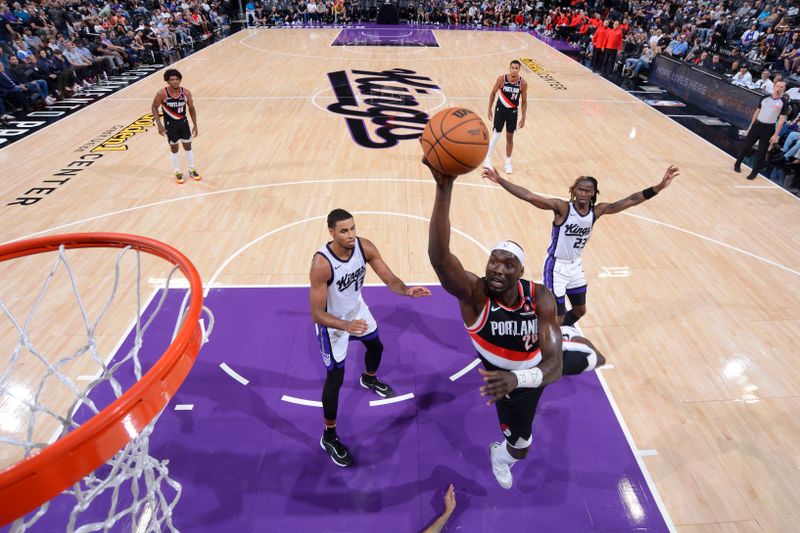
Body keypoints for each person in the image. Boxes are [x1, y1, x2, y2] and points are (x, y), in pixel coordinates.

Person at [426, 160, 563, 490]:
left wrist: (518, 378)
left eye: (508, 264)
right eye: (493, 260)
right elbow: (440, 259)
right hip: (505, 382)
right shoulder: (475, 295)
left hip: (528, 375)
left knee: (522, 443)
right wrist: (444, 188)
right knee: (523, 445)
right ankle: (502, 454)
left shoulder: (541, 297)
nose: (497, 269)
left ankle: (503, 453)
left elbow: (554, 367)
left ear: (520, 273)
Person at [482, 165, 679, 326]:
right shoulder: (563, 208)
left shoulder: (597, 211)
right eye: (580, 189)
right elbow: (530, 196)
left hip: (575, 266)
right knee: (556, 318)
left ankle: (553, 333)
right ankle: (545, 343)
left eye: (588, 190)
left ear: (594, 193)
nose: (583, 193)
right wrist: (500, 180)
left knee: (579, 310)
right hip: (556, 267)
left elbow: (632, 200)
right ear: (574, 190)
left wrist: (660, 186)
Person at [311, 209, 431, 467]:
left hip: (356, 311)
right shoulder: (322, 264)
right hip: (332, 325)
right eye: (344, 231)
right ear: (331, 232)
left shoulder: (364, 248)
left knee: (376, 346)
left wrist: (407, 291)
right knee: (335, 379)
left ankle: (368, 378)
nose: (351, 234)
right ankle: (329, 437)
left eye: (353, 228)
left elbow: (390, 279)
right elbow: (316, 314)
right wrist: (345, 325)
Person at [150, 69, 200, 184]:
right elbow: (154, 107)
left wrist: (195, 125)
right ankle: (178, 171)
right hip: (170, 124)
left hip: (183, 123)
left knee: (188, 146)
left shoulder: (186, 93)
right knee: (174, 148)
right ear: (167, 81)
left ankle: (192, 169)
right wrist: (159, 125)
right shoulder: (162, 93)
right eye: (172, 80)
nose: (175, 81)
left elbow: (191, 108)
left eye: (177, 79)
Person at [734, 80, 789, 180]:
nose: (779, 88)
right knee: (746, 146)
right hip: (757, 125)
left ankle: (754, 173)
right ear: (774, 87)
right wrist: (751, 125)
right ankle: (737, 164)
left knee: (762, 152)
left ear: (784, 89)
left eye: (782, 87)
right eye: (778, 86)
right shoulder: (764, 98)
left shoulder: (784, 103)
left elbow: (781, 120)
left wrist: (776, 134)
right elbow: (757, 112)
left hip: (769, 128)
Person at [485, 59, 528, 174]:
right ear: (509, 68)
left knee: (510, 137)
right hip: (500, 110)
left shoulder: (523, 83)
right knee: (496, 134)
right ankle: (487, 159)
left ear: (519, 70)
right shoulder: (501, 79)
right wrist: (489, 109)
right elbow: (493, 93)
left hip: (512, 112)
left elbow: (524, 102)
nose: (514, 70)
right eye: (512, 68)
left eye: (516, 68)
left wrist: (523, 117)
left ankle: (508, 162)